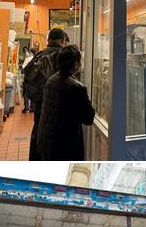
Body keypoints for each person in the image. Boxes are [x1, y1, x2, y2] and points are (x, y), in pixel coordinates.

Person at [36, 45, 95, 161]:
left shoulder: (51, 80)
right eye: (80, 61)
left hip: (45, 141)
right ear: (76, 64)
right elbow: (89, 118)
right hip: (63, 148)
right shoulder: (77, 88)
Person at [24, 28, 65, 160]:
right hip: (57, 107)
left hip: (39, 105)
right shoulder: (63, 56)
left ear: (48, 41)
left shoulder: (39, 56)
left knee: (38, 132)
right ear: (63, 41)